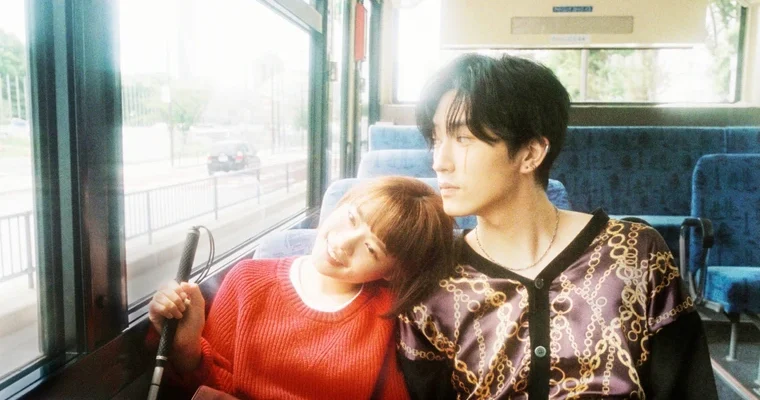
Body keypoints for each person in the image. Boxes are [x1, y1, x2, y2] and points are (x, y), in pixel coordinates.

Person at [397, 54, 718, 399]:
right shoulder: (435, 272)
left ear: (531, 153)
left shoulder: (634, 254)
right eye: (436, 139)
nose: (439, 162)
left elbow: (687, 388)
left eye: (463, 138)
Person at [147, 176, 454, 399]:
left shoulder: (387, 316)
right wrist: (186, 349)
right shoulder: (247, 280)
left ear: (391, 272)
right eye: (351, 218)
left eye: (371, 248)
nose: (344, 243)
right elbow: (211, 389)